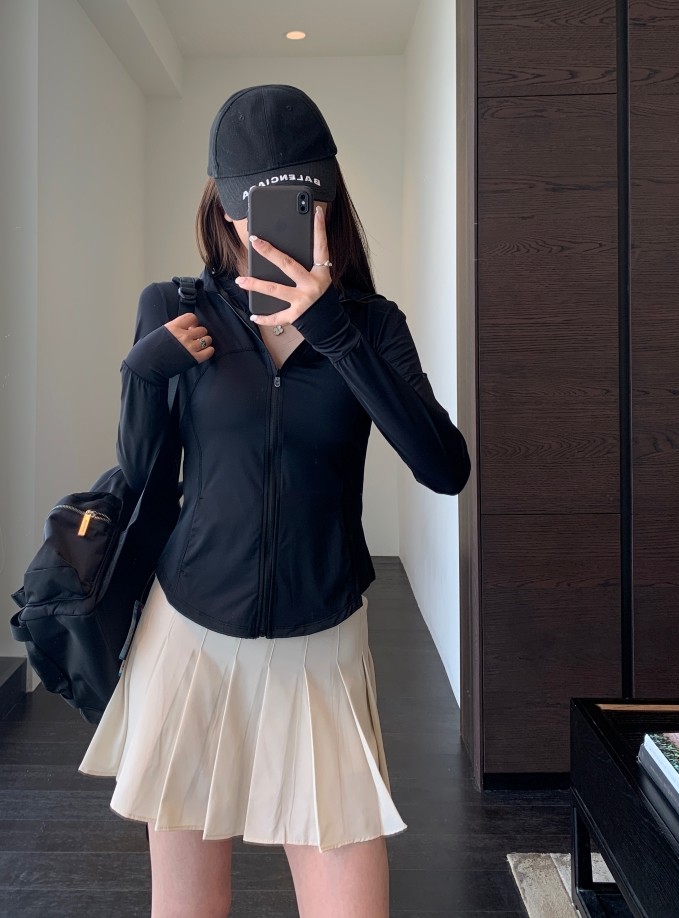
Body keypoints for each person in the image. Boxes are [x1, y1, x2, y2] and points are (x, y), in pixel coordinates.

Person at [79, 84, 470, 918]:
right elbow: (143, 477)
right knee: (187, 904)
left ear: (327, 203)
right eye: (248, 207)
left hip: (322, 640)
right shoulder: (175, 309)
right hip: (189, 635)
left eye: (298, 203)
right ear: (222, 210)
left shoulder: (372, 325)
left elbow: (444, 468)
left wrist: (334, 331)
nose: (265, 227)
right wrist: (141, 374)